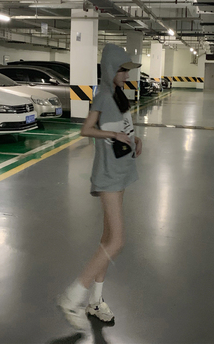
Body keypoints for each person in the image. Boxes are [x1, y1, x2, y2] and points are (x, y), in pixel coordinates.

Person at [57, 43, 142, 331]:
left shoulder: (119, 96)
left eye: (127, 71)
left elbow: (124, 128)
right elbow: (86, 129)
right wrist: (112, 135)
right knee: (117, 241)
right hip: (108, 175)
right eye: (122, 70)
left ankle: (95, 301)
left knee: (107, 239)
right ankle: (73, 297)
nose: (126, 75)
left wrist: (135, 138)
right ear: (110, 70)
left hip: (122, 171)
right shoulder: (104, 95)